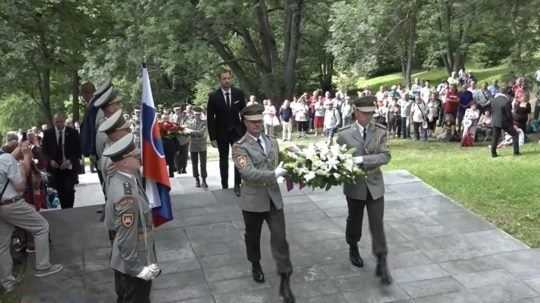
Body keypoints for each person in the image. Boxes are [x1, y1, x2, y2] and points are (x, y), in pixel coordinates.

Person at [232, 104, 295, 303]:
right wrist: (273, 174)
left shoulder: (272, 141)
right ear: (245, 122)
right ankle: (255, 263)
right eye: (253, 122)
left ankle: (285, 274)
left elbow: (280, 162)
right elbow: (247, 172)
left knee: (280, 237)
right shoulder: (239, 147)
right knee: (253, 236)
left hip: (274, 198)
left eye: (260, 121)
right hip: (253, 199)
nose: (258, 125)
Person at [336, 96, 392, 285]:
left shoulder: (380, 131)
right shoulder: (344, 134)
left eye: (371, 113)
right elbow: (337, 158)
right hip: (355, 184)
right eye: (365, 113)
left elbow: (385, 156)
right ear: (356, 111)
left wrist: (363, 160)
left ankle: (381, 259)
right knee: (355, 220)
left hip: (375, 183)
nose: (368, 117)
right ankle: (353, 246)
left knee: (377, 223)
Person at [0, 134, 63, 293]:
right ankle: (43, 266)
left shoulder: (5, 158)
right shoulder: (7, 159)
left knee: (2, 245)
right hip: (11, 204)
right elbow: (20, 186)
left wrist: (20, 154)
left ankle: (7, 283)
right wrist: (27, 159)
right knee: (41, 227)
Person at [102, 134, 160, 303]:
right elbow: (127, 238)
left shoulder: (122, 178)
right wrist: (139, 270)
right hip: (133, 264)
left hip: (126, 260)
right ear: (125, 162)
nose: (140, 157)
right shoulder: (127, 197)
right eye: (135, 156)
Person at [207, 68, 246, 196]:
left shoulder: (238, 93)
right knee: (223, 159)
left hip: (237, 132)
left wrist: (246, 132)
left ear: (231, 79)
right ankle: (224, 184)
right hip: (221, 133)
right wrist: (212, 137)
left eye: (228, 78)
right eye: (224, 79)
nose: (227, 81)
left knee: (239, 158)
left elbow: (244, 113)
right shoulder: (213, 96)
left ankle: (237, 184)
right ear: (219, 80)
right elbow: (210, 118)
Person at [41, 113, 81, 209]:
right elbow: (44, 151)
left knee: (69, 189)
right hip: (55, 168)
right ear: (54, 122)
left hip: (69, 167)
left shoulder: (73, 132)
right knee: (60, 190)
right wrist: (50, 161)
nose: (59, 124)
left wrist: (69, 161)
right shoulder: (48, 133)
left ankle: (69, 208)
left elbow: (78, 150)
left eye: (61, 121)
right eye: (57, 122)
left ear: (64, 121)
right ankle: (64, 208)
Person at [184, 107, 208, 188]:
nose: (197, 116)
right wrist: (195, 133)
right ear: (193, 114)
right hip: (193, 145)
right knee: (194, 164)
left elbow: (202, 133)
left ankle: (204, 180)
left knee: (203, 164)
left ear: (200, 114)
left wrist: (192, 132)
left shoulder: (204, 122)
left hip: (202, 145)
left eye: (198, 114)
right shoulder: (189, 122)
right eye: (195, 114)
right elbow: (185, 131)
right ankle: (197, 179)